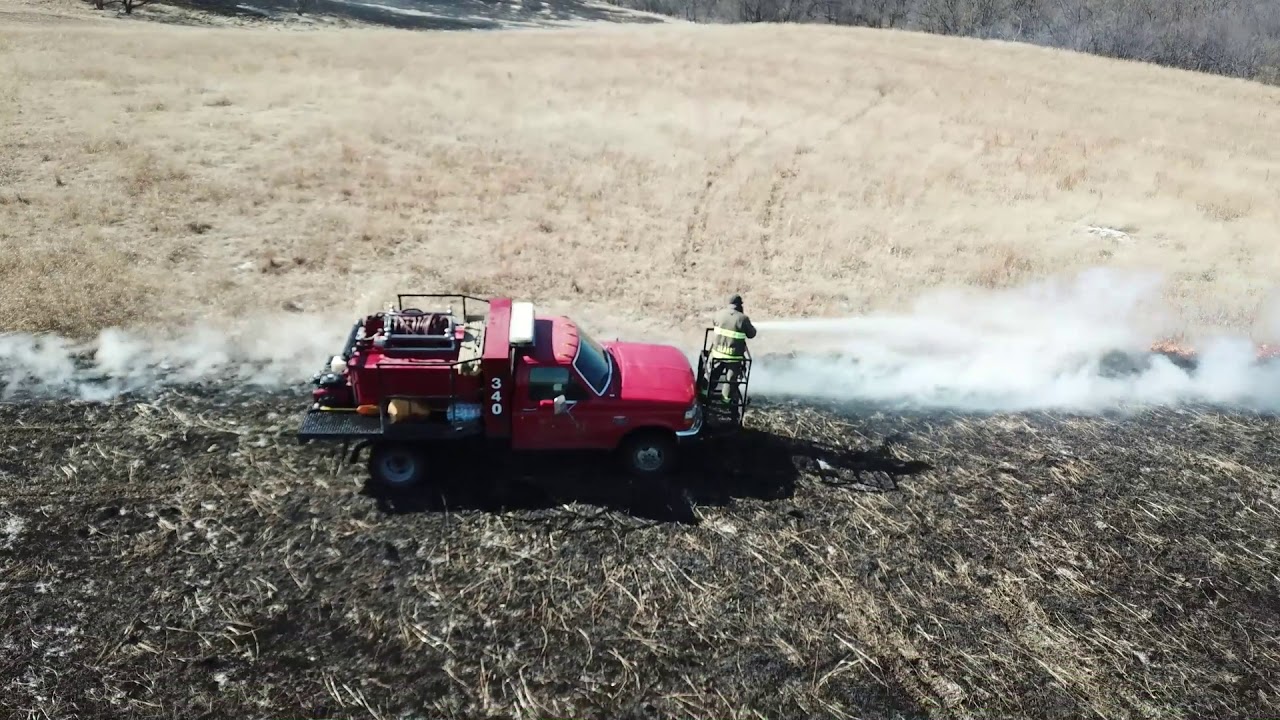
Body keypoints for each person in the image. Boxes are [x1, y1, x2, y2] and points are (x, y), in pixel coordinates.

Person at [707, 293, 756, 405]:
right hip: (734, 357)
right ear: (739, 305)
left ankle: (705, 396)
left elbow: (715, 323)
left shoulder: (718, 314)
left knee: (712, 375)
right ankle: (726, 401)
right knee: (730, 380)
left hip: (717, 353)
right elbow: (752, 334)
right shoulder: (743, 319)